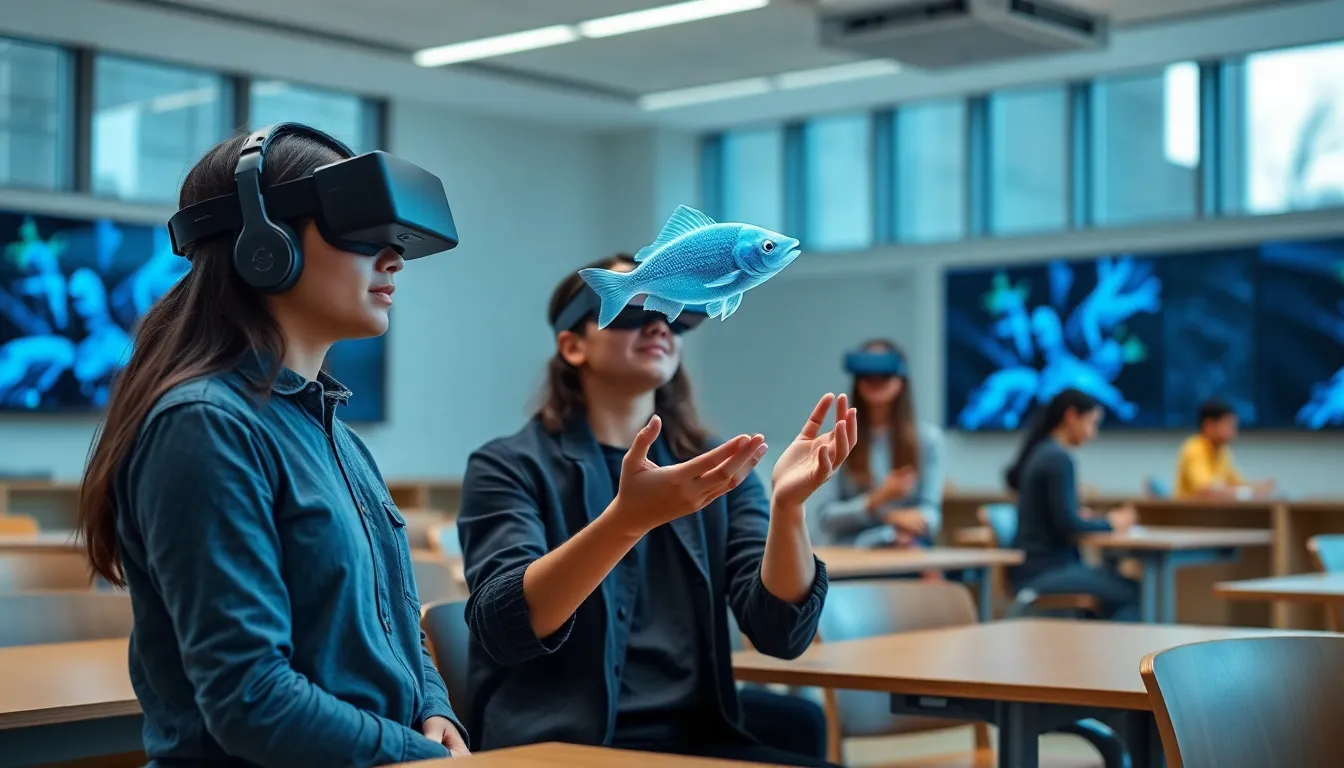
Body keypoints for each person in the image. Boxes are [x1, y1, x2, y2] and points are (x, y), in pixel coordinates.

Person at [76, 124, 468, 767]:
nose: (394, 259)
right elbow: (252, 700)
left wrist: (433, 707)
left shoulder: (334, 432)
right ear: (265, 244)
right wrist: (416, 754)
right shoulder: (204, 427)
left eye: (397, 239)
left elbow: (390, 623)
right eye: (361, 231)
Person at [456, 254, 856, 767]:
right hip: (563, 749)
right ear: (573, 346)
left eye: (672, 310)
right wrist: (626, 522)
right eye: (632, 309)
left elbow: (780, 634)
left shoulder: (718, 467)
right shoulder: (507, 465)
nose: (658, 324)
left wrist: (789, 507)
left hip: (696, 740)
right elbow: (505, 626)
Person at [1003, 389, 1140, 620]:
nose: (1093, 434)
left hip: (1034, 568)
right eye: (1091, 423)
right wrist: (1111, 522)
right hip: (1044, 571)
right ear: (1071, 417)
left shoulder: (1043, 452)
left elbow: (1061, 518)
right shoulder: (1058, 458)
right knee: (1132, 592)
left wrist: (1085, 518)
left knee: (1113, 585)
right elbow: (1069, 526)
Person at [810, 340, 944, 550]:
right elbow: (825, 517)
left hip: (906, 550)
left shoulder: (927, 440)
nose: (876, 380)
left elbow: (932, 512)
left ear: (901, 379)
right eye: (868, 374)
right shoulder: (836, 439)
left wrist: (913, 525)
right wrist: (880, 504)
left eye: (884, 374)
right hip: (852, 553)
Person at [1174, 399, 1275, 500]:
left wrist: (1255, 487)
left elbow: (1236, 484)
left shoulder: (1223, 451)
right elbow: (1205, 490)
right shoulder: (1194, 448)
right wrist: (1246, 492)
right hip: (1189, 509)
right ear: (1209, 426)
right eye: (1228, 426)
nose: (1234, 432)